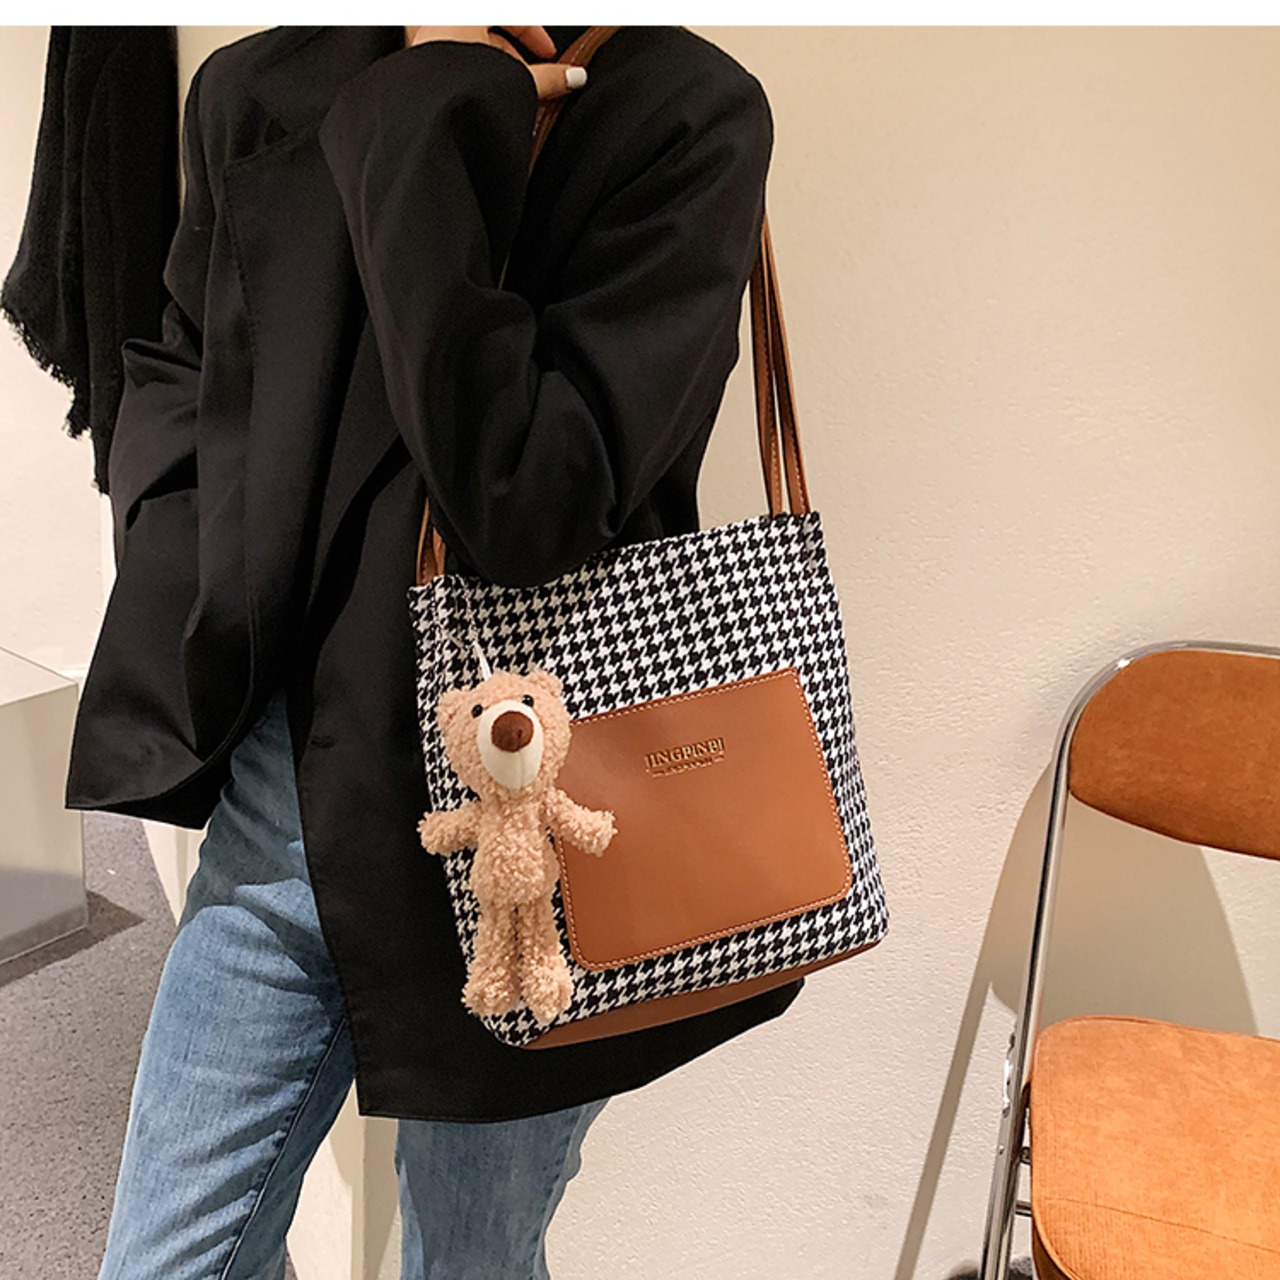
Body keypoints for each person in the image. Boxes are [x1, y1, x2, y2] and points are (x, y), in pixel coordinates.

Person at [72, 22, 803, 1279]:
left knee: (470, 1258)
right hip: (292, 792)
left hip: (542, 819)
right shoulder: (263, 85)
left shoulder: (678, 109)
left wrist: (434, 105)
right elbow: (182, 363)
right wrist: (175, 538)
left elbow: (522, 500)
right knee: (167, 1258)